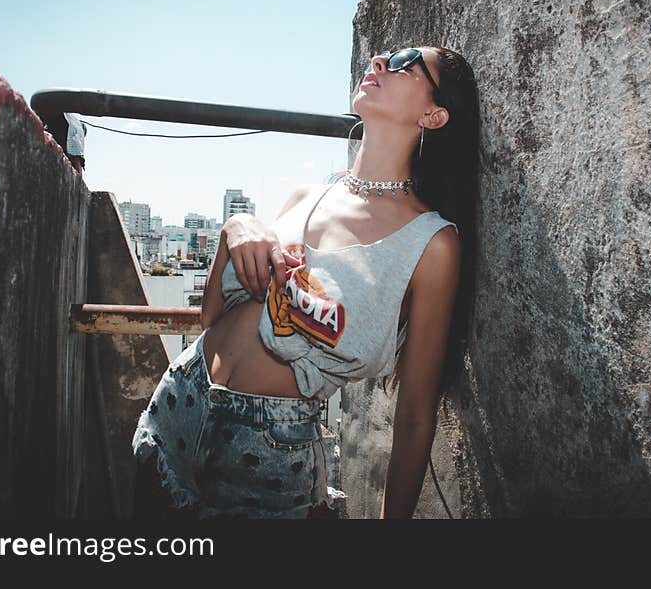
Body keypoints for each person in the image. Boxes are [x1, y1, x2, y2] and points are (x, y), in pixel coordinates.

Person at [131, 45, 480, 519]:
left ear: (434, 115)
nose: (379, 61)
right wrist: (232, 233)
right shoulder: (304, 196)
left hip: (269, 448)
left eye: (404, 63)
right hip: (181, 399)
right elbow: (212, 317)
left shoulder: (431, 243)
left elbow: (416, 416)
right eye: (382, 56)